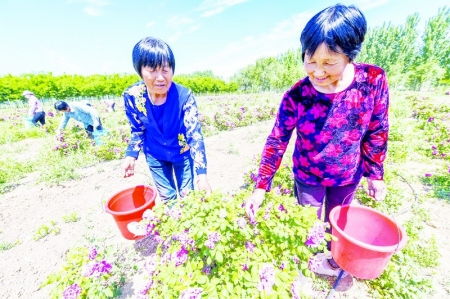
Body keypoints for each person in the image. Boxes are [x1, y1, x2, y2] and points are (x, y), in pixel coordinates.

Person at [245, 4, 389, 280]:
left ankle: (335, 261)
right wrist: (261, 187)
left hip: (348, 173)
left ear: (350, 56)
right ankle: (309, 262)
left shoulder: (372, 81)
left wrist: (375, 174)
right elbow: (277, 140)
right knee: (309, 225)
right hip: (308, 174)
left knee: (339, 222)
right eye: (310, 60)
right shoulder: (297, 95)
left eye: (329, 63)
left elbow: (377, 128)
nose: (318, 72)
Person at [122, 37, 211, 204]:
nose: (161, 77)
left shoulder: (184, 96)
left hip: (182, 153)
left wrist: (202, 175)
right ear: (140, 70)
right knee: (168, 199)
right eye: (152, 70)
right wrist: (131, 155)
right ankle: (175, 227)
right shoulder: (132, 96)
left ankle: (187, 227)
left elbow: (195, 135)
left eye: (165, 69)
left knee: (187, 197)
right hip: (155, 155)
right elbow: (137, 129)